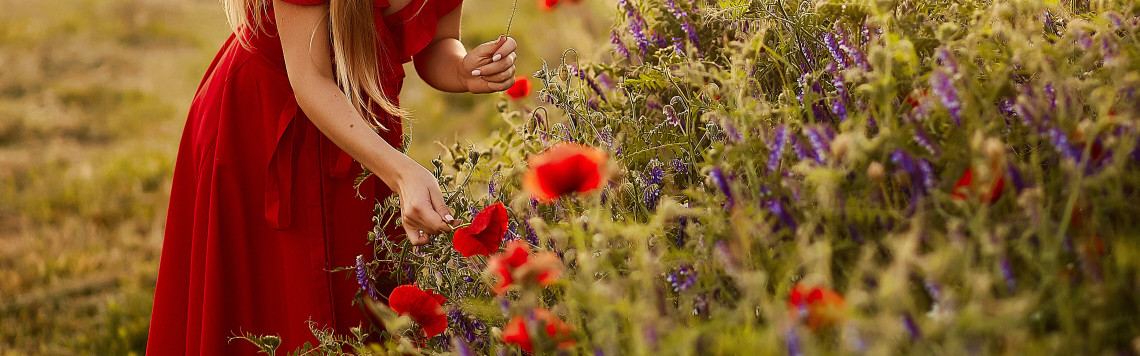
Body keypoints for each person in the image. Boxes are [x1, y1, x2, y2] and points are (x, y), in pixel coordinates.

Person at [145, 0, 517, 353]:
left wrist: (463, 69)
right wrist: (401, 173)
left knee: (358, 311)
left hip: (361, 134)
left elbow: (438, 41)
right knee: (272, 316)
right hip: (264, 130)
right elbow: (310, 80)